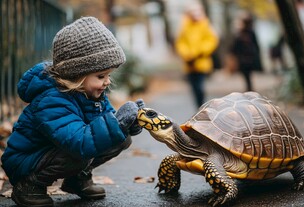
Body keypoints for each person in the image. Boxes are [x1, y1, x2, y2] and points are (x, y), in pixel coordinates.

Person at [1, 16, 144, 207]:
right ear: (76, 73)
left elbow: (104, 125)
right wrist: (116, 124)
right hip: (26, 161)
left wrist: (127, 125)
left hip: (58, 151)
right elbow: (79, 142)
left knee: (121, 139)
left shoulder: (90, 93)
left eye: (109, 75)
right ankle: (29, 186)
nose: (107, 81)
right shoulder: (51, 99)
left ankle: (77, 180)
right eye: (101, 75)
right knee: (82, 153)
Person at [175, 4, 219, 108]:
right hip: (189, 63)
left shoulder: (205, 24)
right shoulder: (184, 25)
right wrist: (186, 54)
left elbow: (212, 40)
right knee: (194, 87)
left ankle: (202, 106)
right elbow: (180, 42)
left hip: (201, 61)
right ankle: (199, 107)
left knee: (200, 87)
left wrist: (201, 51)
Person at [229, 12, 263, 92]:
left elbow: (234, 47)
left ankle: (249, 89)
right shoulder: (245, 33)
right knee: (247, 75)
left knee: (247, 75)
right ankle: (249, 88)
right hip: (245, 58)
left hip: (246, 58)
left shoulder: (244, 33)